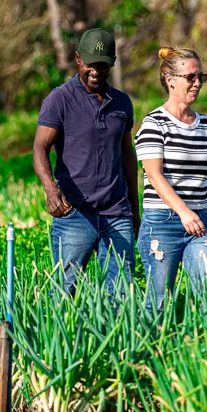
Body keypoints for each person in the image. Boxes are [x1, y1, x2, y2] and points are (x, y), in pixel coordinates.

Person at [33, 28, 140, 295]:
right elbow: (40, 148)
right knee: (63, 292)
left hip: (117, 213)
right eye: (90, 64)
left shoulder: (122, 103)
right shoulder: (60, 100)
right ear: (78, 59)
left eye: (103, 65)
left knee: (121, 293)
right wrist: (50, 188)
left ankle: (115, 338)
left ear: (112, 63)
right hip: (75, 212)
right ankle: (60, 337)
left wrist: (135, 209)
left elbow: (128, 156)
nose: (96, 71)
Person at [135, 46, 207, 310]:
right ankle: (155, 348)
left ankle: (205, 346)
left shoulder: (206, 125)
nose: (197, 83)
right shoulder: (154, 124)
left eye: (200, 77)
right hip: (163, 222)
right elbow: (154, 175)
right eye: (190, 78)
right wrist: (184, 212)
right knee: (159, 302)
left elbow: (205, 178)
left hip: (200, 221)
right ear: (170, 81)